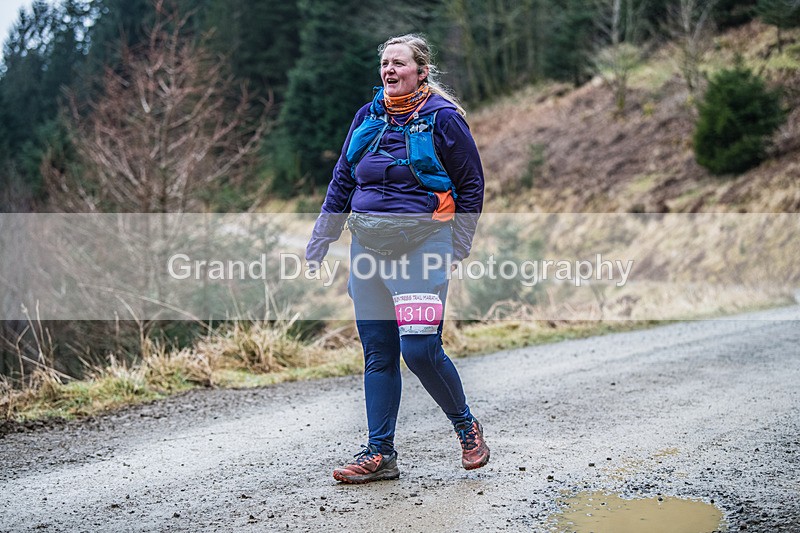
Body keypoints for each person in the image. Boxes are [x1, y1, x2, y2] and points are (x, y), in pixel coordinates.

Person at [305, 33, 488, 484]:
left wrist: (457, 247)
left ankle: (467, 427)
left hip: (424, 247)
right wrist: (322, 237)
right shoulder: (366, 117)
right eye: (385, 63)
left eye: (399, 63)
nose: (389, 70)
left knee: (420, 349)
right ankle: (380, 454)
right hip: (367, 250)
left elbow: (471, 187)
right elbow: (343, 178)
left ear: (421, 71)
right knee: (379, 354)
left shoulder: (444, 119)